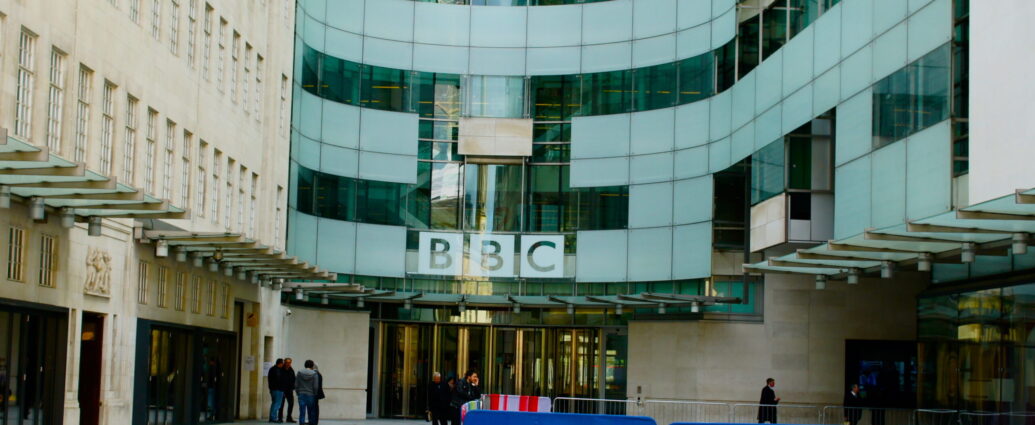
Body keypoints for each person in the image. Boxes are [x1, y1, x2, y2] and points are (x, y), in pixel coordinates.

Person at [295, 360, 321, 425]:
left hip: (301, 394)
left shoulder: (299, 372)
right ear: (312, 366)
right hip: (311, 394)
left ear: (305, 365)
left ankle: (301, 423)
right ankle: (311, 423)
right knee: (311, 411)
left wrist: (297, 392)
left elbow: (296, 384)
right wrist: (315, 394)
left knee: (302, 411)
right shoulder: (314, 374)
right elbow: (315, 386)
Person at [268, 358, 285, 423]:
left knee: (274, 403)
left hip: (273, 389)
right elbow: (279, 380)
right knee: (277, 404)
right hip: (278, 389)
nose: (283, 365)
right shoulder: (277, 370)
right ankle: (273, 418)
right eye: (282, 363)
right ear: (280, 363)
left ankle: (272, 417)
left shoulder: (272, 369)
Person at [281, 358, 297, 423]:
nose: (288, 364)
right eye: (287, 362)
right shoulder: (281, 369)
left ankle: (289, 417)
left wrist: (293, 387)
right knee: (281, 404)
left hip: (289, 390)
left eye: (290, 362)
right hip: (282, 389)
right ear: (284, 362)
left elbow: (294, 379)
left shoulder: (291, 370)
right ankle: (280, 417)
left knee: (291, 403)